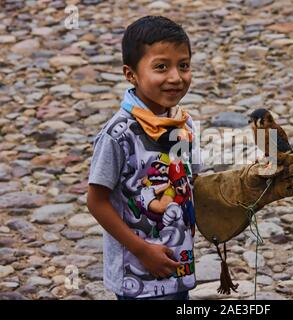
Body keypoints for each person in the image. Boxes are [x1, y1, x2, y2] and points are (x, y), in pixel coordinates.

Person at [87, 15, 200, 300]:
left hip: (177, 262)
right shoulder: (118, 134)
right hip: (137, 271)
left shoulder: (184, 125)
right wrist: (141, 250)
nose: (176, 77)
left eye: (183, 65)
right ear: (131, 74)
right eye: (161, 67)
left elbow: (194, 183)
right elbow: (96, 201)